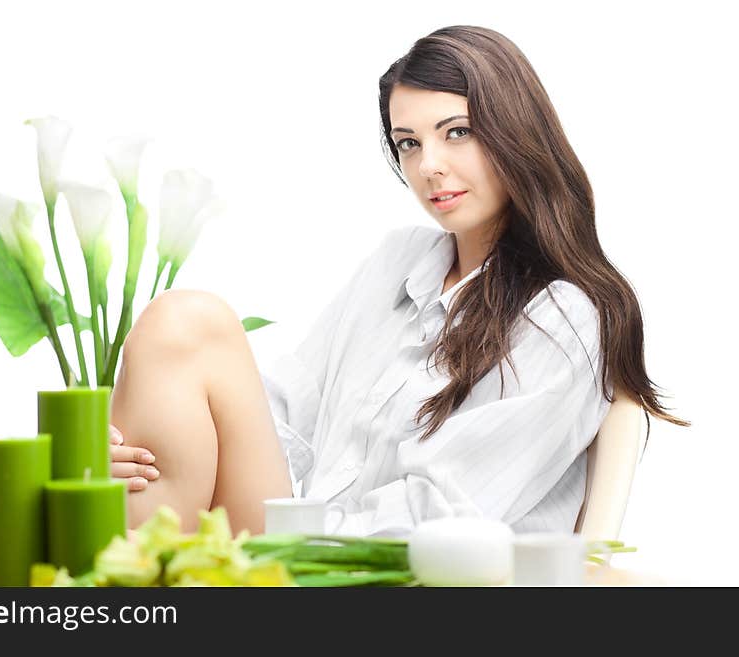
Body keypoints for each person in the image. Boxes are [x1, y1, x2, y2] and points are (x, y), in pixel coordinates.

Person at [108, 25, 688, 538]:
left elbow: (441, 516)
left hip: (387, 574)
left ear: (515, 134)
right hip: (294, 541)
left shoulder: (565, 316)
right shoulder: (399, 260)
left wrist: (286, 529)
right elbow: (284, 411)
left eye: (456, 132)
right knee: (181, 327)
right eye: (408, 142)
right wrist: (163, 451)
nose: (428, 165)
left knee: (191, 322)